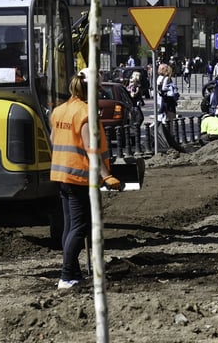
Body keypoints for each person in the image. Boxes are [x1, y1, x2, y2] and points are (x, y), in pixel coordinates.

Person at [50, 69, 123, 290]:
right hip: (79, 176)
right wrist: (107, 176)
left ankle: (72, 272)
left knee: (70, 226)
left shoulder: (60, 111)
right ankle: (66, 276)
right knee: (80, 227)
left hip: (62, 175)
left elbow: (54, 140)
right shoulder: (85, 113)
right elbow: (91, 148)